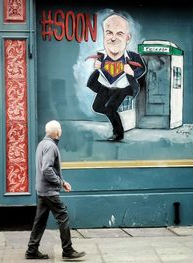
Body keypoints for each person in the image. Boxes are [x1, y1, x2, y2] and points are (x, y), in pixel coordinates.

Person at [25, 120, 86, 260]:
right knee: (63, 217)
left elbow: (47, 168)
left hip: (42, 189)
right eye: (61, 129)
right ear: (57, 132)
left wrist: (63, 182)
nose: (61, 131)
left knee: (40, 221)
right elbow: (46, 169)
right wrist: (59, 182)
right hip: (49, 191)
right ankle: (68, 251)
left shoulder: (42, 144)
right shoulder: (51, 146)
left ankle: (31, 250)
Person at [86, 13, 146, 141]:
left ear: (127, 38)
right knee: (97, 107)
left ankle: (118, 133)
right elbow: (98, 76)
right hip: (107, 86)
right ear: (104, 36)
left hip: (124, 87)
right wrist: (97, 68)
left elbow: (142, 68)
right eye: (109, 33)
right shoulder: (101, 56)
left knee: (110, 108)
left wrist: (132, 72)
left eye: (119, 34)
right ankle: (113, 113)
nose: (113, 38)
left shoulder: (133, 56)